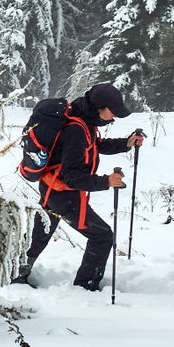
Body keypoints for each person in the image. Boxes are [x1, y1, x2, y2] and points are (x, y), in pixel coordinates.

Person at [17, 84, 143, 291]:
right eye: (112, 111)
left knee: (40, 234)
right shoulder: (76, 129)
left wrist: (125, 144)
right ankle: (85, 287)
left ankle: (16, 272)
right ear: (99, 107)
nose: (114, 116)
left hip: (51, 188)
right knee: (102, 236)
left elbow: (95, 145)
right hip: (63, 195)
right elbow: (71, 177)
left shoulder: (83, 119)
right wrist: (106, 181)